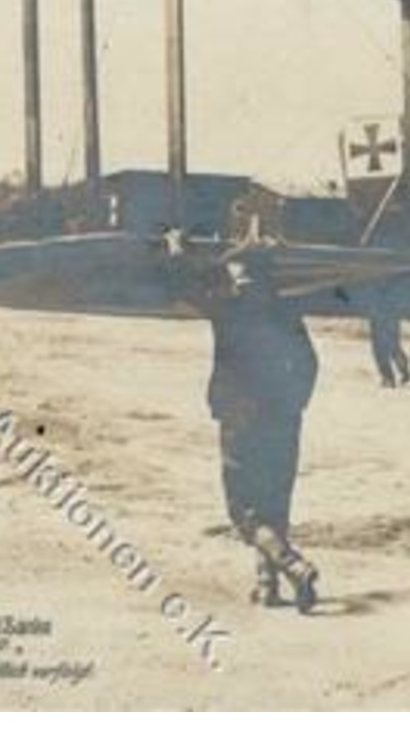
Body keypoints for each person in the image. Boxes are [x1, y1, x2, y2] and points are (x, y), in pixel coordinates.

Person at [170, 241, 322, 612]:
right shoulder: (286, 310)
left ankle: (293, 566)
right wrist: (295, 403)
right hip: (283, 417)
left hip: (240, 417)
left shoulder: (229, 308)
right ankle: (267, 586)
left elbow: (186, 289)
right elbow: (310, 363)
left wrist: (177, 251)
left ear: (241, 275)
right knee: (275, 504)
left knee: (243, 512)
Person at [369, 310, 410, 388]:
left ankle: (388, 377)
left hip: (380, 315)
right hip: (391, 315)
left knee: (381, 349)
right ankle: (403, 372)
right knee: (393, 346)